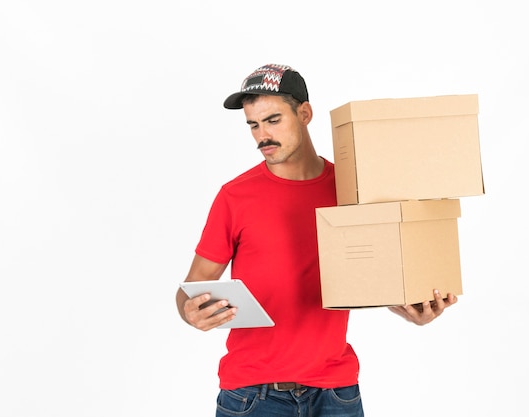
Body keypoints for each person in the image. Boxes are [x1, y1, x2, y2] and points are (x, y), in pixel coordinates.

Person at [176, 63, 458, 417]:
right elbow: (192, 288)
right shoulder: (234, 196)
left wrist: (412, 308)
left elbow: (378, 271)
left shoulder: (351, 190)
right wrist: (190, 313)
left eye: (273, 119)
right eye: (253, 124)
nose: (262, 134)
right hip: (252, 395)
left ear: (304, 113)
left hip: (336, 392)